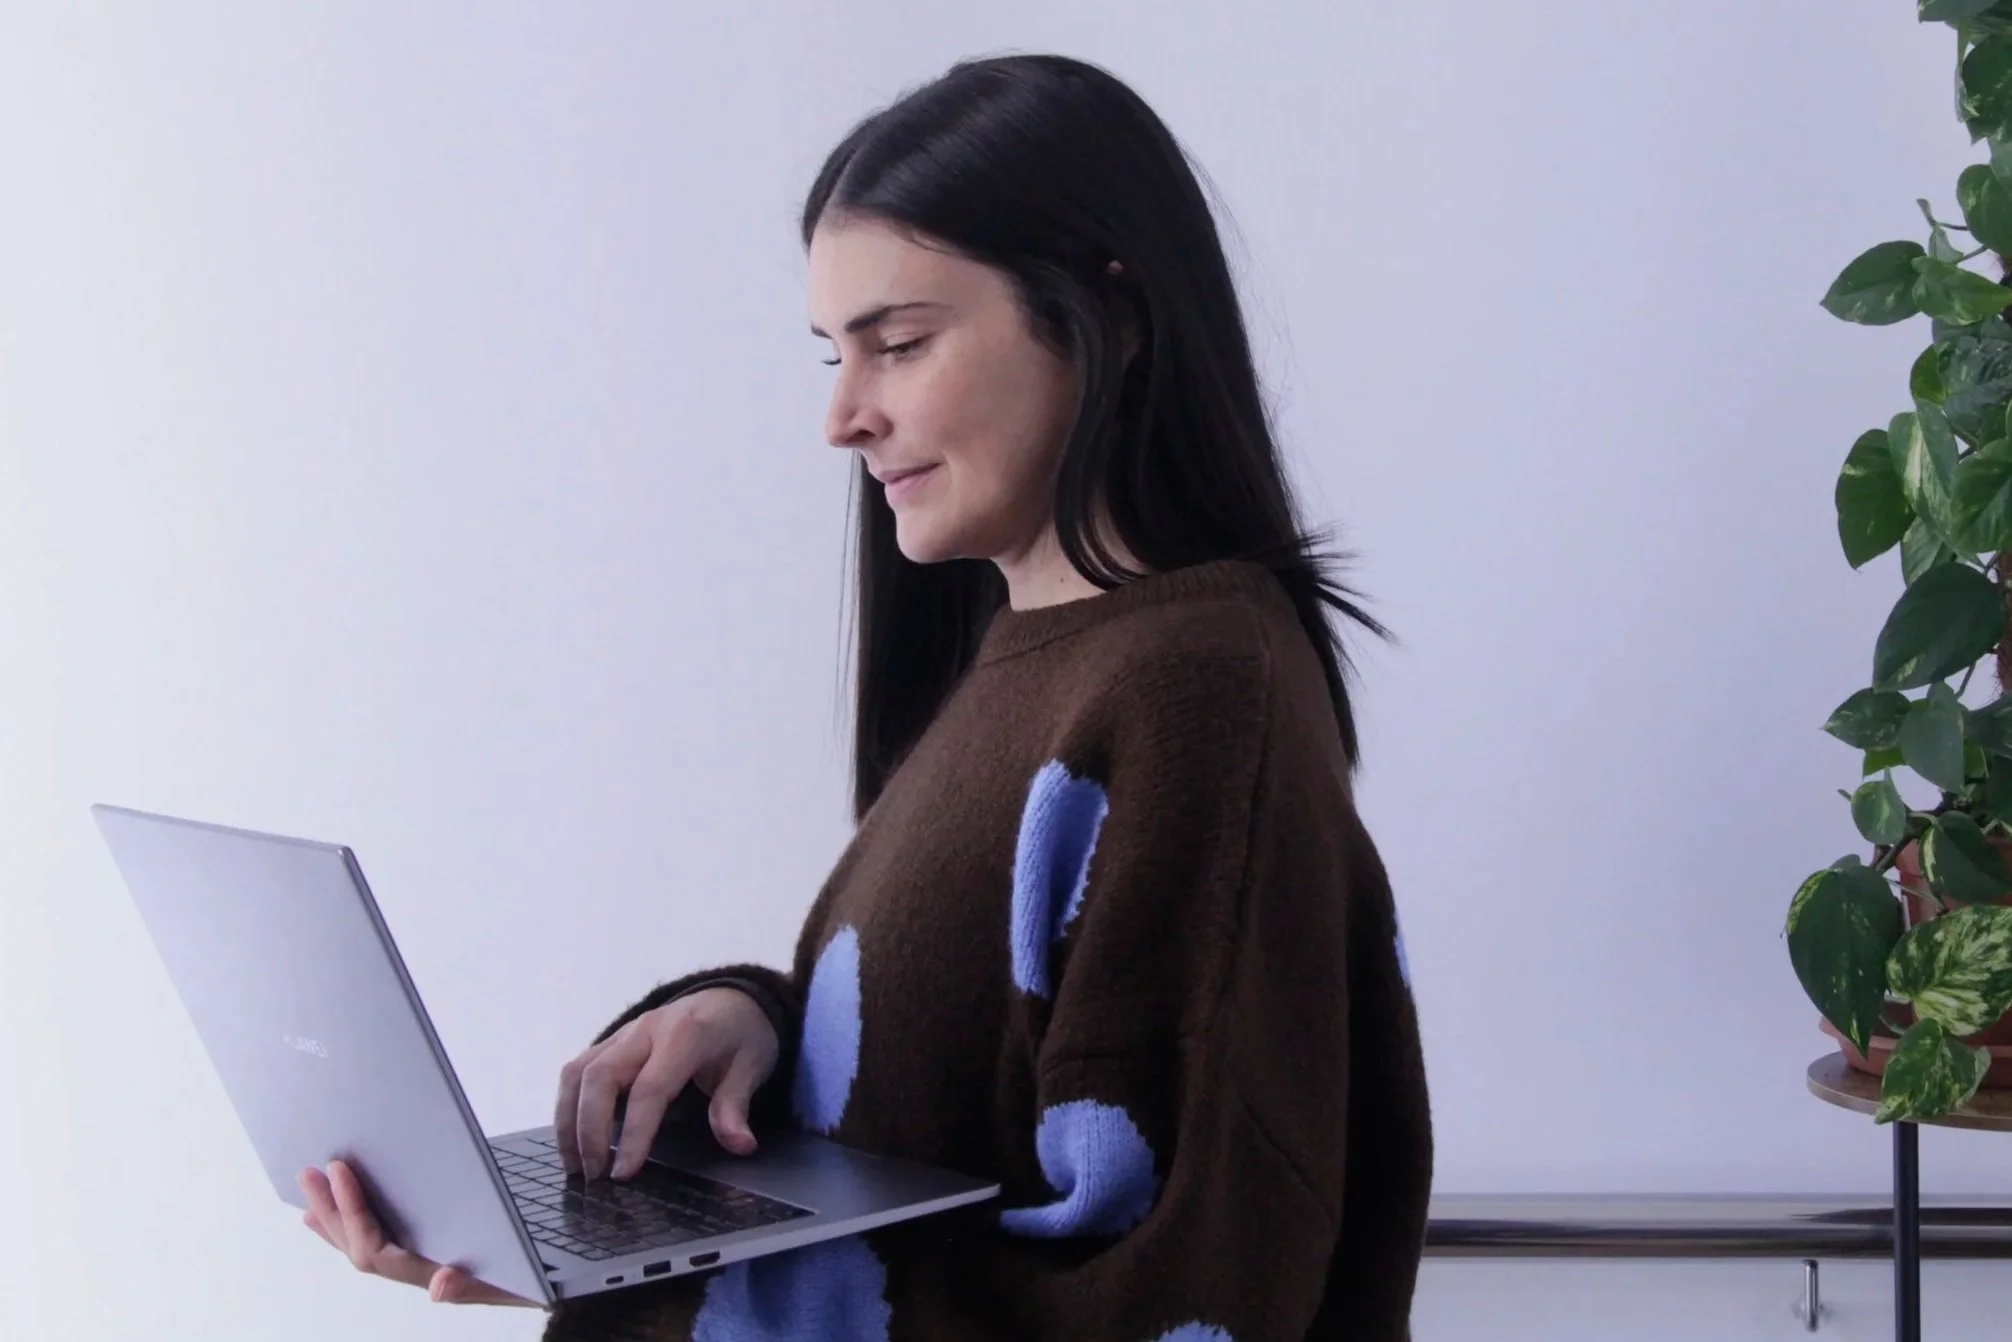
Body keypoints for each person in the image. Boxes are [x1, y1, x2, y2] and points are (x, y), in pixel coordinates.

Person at [296, 50, 1432, 1342]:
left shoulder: (1192, 688)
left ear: (1106, 314)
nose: (844, 415)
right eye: (835, 353)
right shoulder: (1035, 659)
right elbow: (968, 1082)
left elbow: (1173, 1287)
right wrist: (753, 1020)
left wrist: (676, 1286)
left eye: (897, 343)